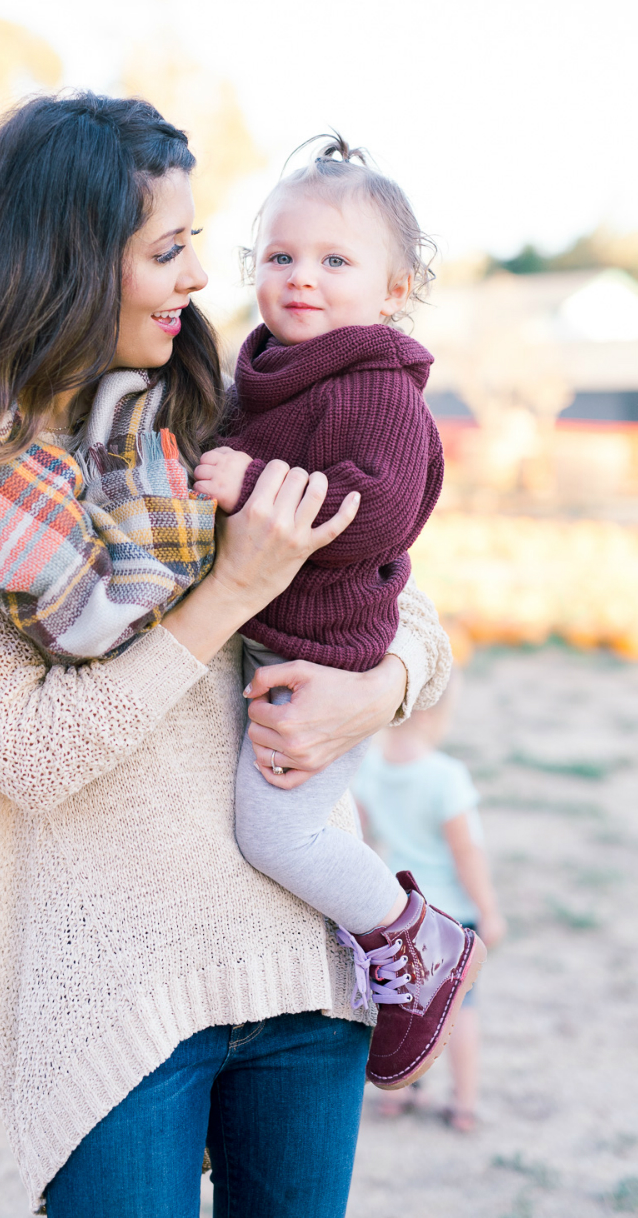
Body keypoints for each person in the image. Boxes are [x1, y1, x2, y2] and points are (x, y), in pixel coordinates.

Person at [0, 92, 452, 1218]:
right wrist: (233, 591)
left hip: (303, 975)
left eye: (199, 244)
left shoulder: (214, 415)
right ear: (65, 264)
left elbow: (410, 611)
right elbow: (36, 752)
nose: (202, 277)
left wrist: (377, 691)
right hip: (114, 1010)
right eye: (168, 250)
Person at [194, 139, 484, 1088]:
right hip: (268, 632)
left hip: (323, 651)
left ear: (394, 287)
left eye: (334, 260)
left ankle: (414, 938)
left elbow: (377, 514)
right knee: (298, 818)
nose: (301, 278)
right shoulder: (275, 368)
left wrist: (251, 487)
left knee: (277, 832)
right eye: (280, 257)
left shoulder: (378, 389)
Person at [353, 675, 507, 1131]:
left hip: (407, 912)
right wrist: (490, 910)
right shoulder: (446, 776)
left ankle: (404, 1089)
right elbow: (466, 853)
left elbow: (360, 838)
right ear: (433, 714)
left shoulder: (370, 768)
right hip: (452, 919)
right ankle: (464, 1101)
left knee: (408, 1004)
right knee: (461, 1010)